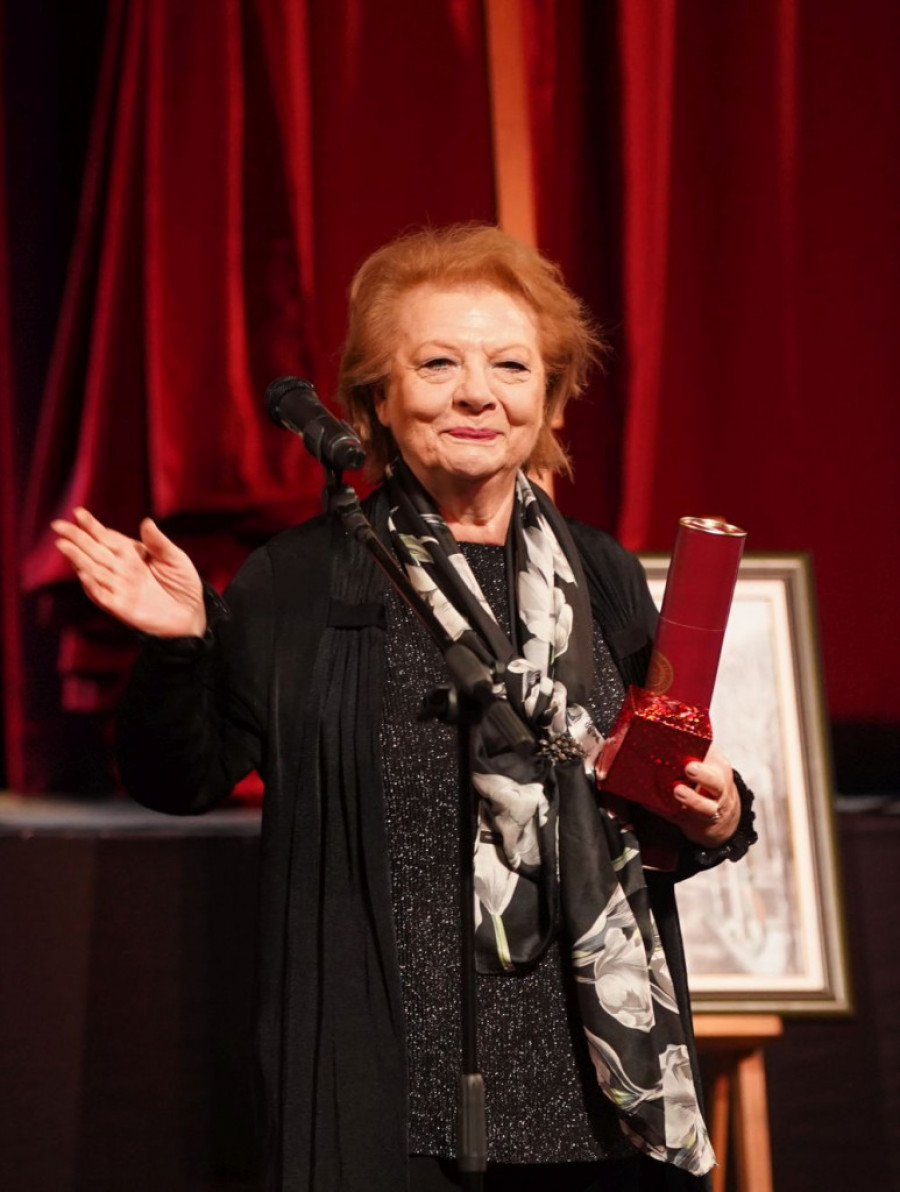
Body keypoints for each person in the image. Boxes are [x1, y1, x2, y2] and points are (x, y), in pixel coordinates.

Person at [52, 224, 756, 1192]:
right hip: (391, 1092)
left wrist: (718, 813)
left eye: (511, 365)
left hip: (596, 1084)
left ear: (549, 399)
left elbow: (647, 788)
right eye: (437, 363)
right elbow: (178, 780)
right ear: (377, 397)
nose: (477, 393)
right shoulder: (302, 580)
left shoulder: (603, 574)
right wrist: (180, 646)